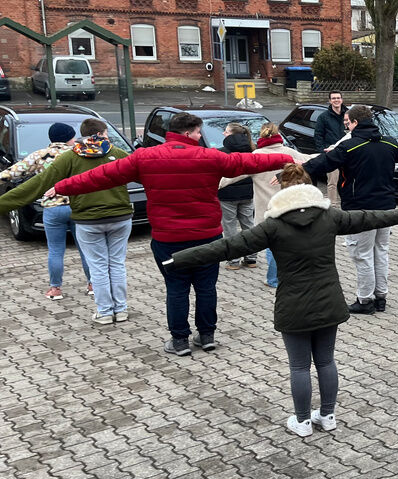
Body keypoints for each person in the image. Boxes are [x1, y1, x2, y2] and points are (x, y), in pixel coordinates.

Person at [165, 164, 398, 436]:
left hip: (293, 304)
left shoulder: (273, 225)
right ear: (309, 186)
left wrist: (178, 259)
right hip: (329, 300)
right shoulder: (330, 216)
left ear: (282, 190)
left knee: (299, 366)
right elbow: (371, 217)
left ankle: (303, 421)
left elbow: (227, 246)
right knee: (326, 361)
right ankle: (328, 416)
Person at [53, 112, 293, 355]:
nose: (200, 137)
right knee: (206, 288)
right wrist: (285, 159)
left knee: (176, 289)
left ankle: (179, 341)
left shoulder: (145, 157)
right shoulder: (210, 156)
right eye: (198, 132)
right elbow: (248, 161)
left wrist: (61, 187)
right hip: (207, 237)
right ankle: (207, 336)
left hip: (168, 238)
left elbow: (101, 176)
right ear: (188, 132)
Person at [303, 105, 398, 314]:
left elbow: (322, 163)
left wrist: (295, 170)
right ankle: (381, 297)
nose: (347, 127)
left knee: (362, 254)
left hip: (360, 210)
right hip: (386, 208)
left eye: (348, 123)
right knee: (380, 252)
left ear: (355, 122)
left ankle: (365, 300)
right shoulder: (388, 142)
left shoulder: (349, 146)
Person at [2, 119, 131, 322]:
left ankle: (104, 312)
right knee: (116, 264)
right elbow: (146, 173)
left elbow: (35, 184)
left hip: (86, 218)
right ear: (102, 133)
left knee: (95, 264)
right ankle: (121, 310)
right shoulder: (118, 153)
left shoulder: (70, 157)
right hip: (120, 216)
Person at [0, 122, 90, 301]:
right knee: (86, 248)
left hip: (52, 208)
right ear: (69, 137)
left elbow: (13, 172)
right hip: (78, 206)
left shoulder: (40, 155)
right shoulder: (79, 153)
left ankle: (55, 289)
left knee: (55, 250)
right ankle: (93, 284)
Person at [219, 123, 313, 287]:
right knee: (286, 244)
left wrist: (213, 185)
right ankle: (287, 275)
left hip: (267, 210)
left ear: (261, 136)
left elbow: (235, 174)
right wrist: (334, 149)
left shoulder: (257, 155)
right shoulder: (289, 152)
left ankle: (274, 279)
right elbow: (310, 159)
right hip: (289, 207)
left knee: (272, 245)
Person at [217, 123, 257, 270]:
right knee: (249, 226)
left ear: (232, 135)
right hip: (248, 194)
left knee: (230, 228)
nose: (223, 133)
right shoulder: (252, 150)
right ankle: (251, 259)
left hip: (227, 196)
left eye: (226, 131)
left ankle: (234, 261)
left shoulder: (221, 153)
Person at [314, 91, 347, 207]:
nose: (336, 100)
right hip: (331, 154)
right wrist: (323, 151)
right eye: (333, 98)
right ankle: (332, 205)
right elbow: (318, 135)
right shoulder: (323, 117)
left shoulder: (348, 115)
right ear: (330, 101)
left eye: (338, 98)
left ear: (342, 100)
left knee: (347, 180)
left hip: (347, 153)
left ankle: (347, 203)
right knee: (332, 182)